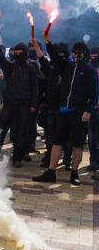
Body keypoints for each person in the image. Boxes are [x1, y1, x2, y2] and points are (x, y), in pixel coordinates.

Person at [33, 31, 98, 186]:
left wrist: (88, 110)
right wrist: (47, 40)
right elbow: (53, 56)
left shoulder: (89, 71)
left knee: (77, 144)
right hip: (63, 110)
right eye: (75, 52)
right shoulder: (67, 66)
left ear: (85, 54)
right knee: (57, 142)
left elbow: (94, 92)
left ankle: (74, 172)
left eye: (80, 52)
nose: (77, 55)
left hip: (79, 112)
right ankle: (51, 171)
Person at [0, 32, 38, 167]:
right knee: (1, 130)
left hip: (24, 105)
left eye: (20, 52)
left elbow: (34, 88)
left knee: (21, 133)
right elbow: (1, 58)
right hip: (9, 104)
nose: (18, 54)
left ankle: (17, 157)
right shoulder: (10, 66)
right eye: (16, 52)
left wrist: (33, 105)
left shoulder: (30, 68)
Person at [30, 39, 73, 169]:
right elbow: (42, 58)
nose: (60, 58)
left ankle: (67, 160)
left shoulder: (70, 69)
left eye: (62, 56)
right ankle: (49, 157)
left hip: (65, 108)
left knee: (66, 135)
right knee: (49, 136)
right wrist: (36, 45)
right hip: (51, 107)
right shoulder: (50, 69)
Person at [88, 46, 99, 172]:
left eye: (95, 55)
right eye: (91, 55)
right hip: (91, 107)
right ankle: (93, 160)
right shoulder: (89, 68)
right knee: (91, 137)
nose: (92, 57)